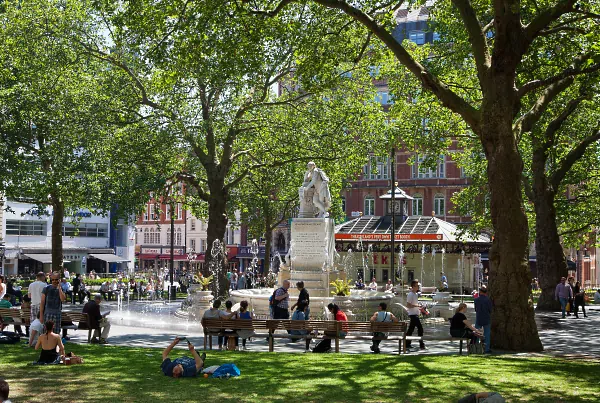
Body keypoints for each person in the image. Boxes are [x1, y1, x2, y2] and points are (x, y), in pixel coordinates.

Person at [405, 279, 426, 350]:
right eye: (417, 286)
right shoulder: (410, 294)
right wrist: (417, 306)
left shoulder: (415, 294)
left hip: (416, 314)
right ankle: (421, 344)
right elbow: (408, 305)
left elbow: (414, 304)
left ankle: (407, 344)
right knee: (420, 328)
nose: (418, 287)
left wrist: (420, 308)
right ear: (413, 286)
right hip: (412, 314)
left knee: (411, 329)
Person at [474, 286, 493, 353]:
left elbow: (476, 309)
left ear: (480, 292)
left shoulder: (476, 300)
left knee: (476, 333)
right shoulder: (488, 300)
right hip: (486, 318)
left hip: (479, 317)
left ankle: (475, 347)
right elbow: (490, 309)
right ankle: (486, 349)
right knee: (487, 334)